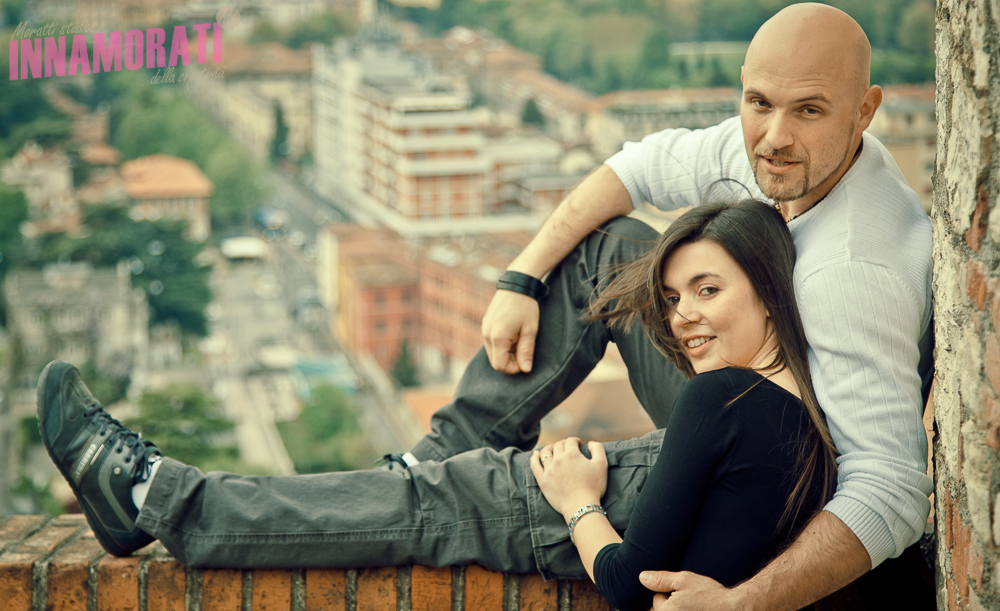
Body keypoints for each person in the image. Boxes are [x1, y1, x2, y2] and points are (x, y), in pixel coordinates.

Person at [39, 201, 832, 611]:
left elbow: (628, 585)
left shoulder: (717, 396)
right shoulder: (812, 402)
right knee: (615, 248)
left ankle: (150, 494)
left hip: (611, 494)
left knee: (426, 503)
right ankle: (419, 462)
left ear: (771, 290)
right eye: (676, 297)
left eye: (707, 291)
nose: (682, 317)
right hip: (717, 471)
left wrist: (578, 501)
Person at [400, 3, 934, 610]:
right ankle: (434, 455)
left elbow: (890, 489)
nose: (775, 136)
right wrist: (520, 278)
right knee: (607, 249)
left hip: (778, 469)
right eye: (759, 103)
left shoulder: (855, 272)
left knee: (509, 489)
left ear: (865, 111)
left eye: (809, 110)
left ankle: (443, 488)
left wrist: (743, 603)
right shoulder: (771, 152)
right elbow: (637, 168)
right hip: (742, 380)